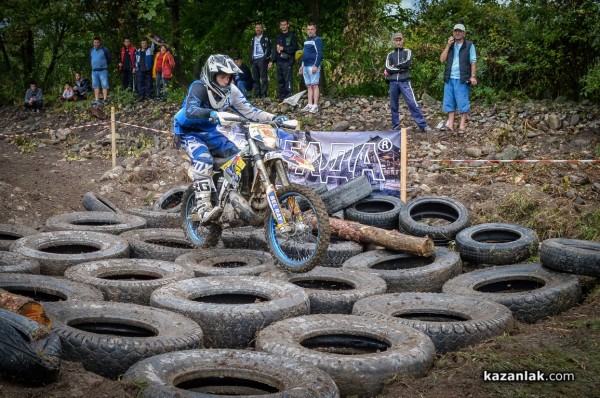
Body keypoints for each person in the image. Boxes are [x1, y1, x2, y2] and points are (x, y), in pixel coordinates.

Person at [173, 54, 288, 222]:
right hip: (188, 131)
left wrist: (273, 118)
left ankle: (234, 197)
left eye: (228, 77)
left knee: (240, 159)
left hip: (211, 133)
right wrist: (212, 113)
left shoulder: (232, 91)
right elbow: (190, 110)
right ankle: (203, 208)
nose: (226, 81)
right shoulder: (199, 87)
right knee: (204, 159)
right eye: (222, 77)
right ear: (211, 75)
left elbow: (250, 111)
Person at [384, 32, 431, 132]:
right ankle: (395, 127)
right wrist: (400, 69)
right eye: (396, 40)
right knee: (393, 105)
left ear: (403, 40)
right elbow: (387, 68)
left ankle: (423, 125)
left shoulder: (407, 51)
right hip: (393, 82)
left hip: (405, 82)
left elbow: (407, 63)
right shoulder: (390, 54)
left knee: (412, 103)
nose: (398, 42)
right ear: (393, 41)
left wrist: (394, 68)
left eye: (399, 40)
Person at [439, 23, 477, 134]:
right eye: (455, 31)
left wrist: (473, 76)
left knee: (462, 102)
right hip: (449, 78)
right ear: (453, 33)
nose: (457, 33)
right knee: (449, 102)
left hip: (462, 78)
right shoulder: (450, 46)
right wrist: (447, 46)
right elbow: (442, 59)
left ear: (463, 33)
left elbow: (473, 61)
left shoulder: (469, 45)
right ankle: (450, 125)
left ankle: (462, 126)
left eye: (459, 31)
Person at [269, 19, 298, 102]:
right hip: (279, 61)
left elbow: (295, 48)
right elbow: (275, 50)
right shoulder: (278, 36)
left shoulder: (291, 36)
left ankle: (288, 98)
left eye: (285, 24)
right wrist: (272, 61)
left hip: (287, 61)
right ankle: (281, 98)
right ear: (280, 26)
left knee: (288, 80)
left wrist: (284, 48)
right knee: (280, 80)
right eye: (281, 25)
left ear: (288, 25)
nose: (283, 26)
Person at [298, 22, 323, 114]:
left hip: (313, 66)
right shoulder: (306, 41)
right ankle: (310, 104)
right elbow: (304, 54)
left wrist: (316, 65)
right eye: (308, 29)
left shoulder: (317, 40)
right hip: (305, 66)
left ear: (315, 30)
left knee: (315, 85)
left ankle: (315, 105)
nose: (310, 31)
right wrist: (302, 66)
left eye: (312, 29)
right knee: (309, 86)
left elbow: (319, 54)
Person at [249, 23, 271, 98]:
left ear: (262, 29)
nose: (258, 29)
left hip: (262, 58)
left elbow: (268, 49)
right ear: (255, 29)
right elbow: (251, 49)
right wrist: (250, 59)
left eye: (259, 28)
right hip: (254, 59)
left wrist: (265, 58)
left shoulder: (265, 38)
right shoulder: (253, 39)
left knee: (263, 77)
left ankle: (264, 94)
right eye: (256, 28)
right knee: (255, 78)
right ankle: (257, 94)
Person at [90, 37, 112, 105]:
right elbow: (91, 59)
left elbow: (109, 59)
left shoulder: (105, 50)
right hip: (94, 71)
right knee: (95, 85)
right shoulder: (91, 50)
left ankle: (105, 99)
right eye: (95, 42)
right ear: (93, 43)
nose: (96, 44)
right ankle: (97, 100)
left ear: (100, 42)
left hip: (103, 70)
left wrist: (103, 65)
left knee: (104, 85)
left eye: (97, 42)